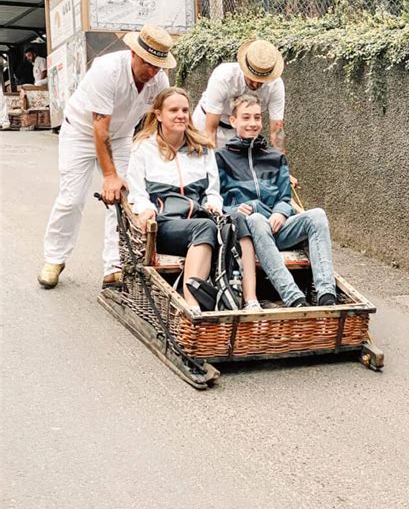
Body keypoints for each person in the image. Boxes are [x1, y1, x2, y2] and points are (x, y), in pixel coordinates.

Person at [38, 23, 173, 290]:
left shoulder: (159, 80)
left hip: (122, 138)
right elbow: (100, 129)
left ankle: (114, 266)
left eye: (158, 65)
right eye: (148, 64)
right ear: (133, 53)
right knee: (71, 198)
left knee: (122, 200)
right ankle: (54, 258)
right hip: (81, 133)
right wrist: (110, 175)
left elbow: (151, 123)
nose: (153, 71)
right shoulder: (106, 70)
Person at [127, 87, 260, 315]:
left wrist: (214, 204)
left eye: (185, 110)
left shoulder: (202, 148)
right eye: (174, 110)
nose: (181, 115)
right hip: (166, 225)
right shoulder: (143, 148)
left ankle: (251, 300)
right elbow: (137, 193)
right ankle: (191, 304)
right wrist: (146, 209)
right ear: (159, 114)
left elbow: (213, 191)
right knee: (205, 227)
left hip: (200, 217)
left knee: (237, 219)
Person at [215, 94, 337, 308]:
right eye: (245, 118)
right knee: (256, 220)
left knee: (317, 215)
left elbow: (284, 196)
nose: (252, 123)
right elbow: (216, 199)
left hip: (276, 226)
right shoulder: (221, 158)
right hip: (245, 233)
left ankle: (327, 294)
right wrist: (235, 209)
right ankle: (294, 298)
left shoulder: (275, 157)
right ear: (233, 121)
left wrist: (281, 212)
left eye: (256, 118)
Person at [193, 38, 286, 151]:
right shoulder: (223, 76)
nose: (256, 84)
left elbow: (276, 130)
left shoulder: (275, 85)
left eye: (262, 80)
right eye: (252, 78)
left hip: (238, 130)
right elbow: (210, 130)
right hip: (207, 123)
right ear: (244, 69)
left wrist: (281, 161)